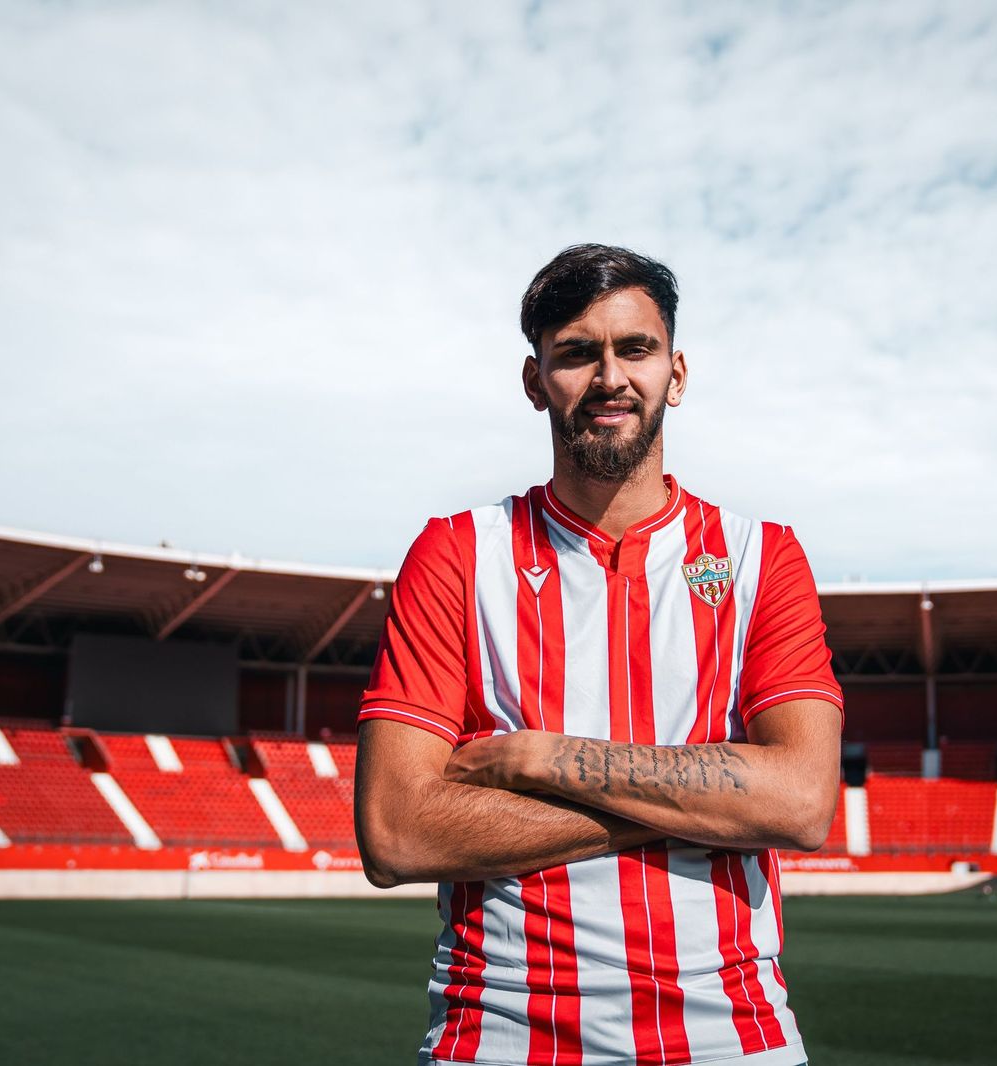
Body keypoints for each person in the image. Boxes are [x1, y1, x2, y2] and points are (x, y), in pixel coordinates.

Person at [355, 243, 843, 1066]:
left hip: (731, 1035)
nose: (610, 376)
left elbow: (800, 802)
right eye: (577, 353)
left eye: (636, 349)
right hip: (502, 1035)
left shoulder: (764, 556)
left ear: (676, 374)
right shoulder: (457, 554)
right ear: (534, 379)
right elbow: (397, 831)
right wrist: (706, 805)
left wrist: (539, 758)